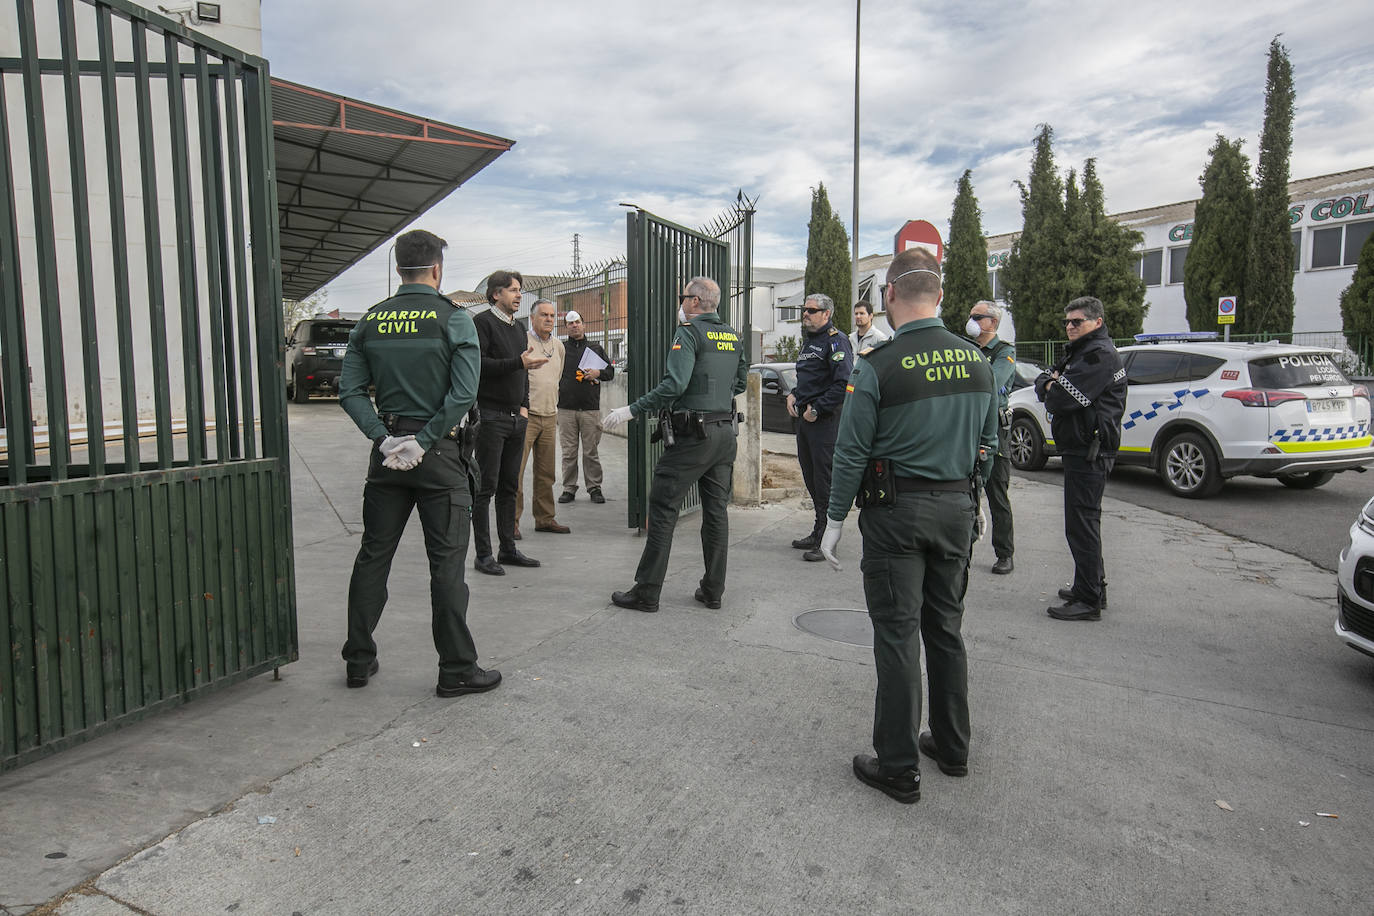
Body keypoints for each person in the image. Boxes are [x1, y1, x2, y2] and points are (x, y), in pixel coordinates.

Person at [820, 247, 998, 804]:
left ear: (889, 296)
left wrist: (833, 519)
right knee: (945, 629)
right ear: (941, 296)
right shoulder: (978, 362)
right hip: (956, 511)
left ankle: (898, 765)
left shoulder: (877, 365)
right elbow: (988, 447)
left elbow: (850, 452)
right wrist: (976, 500)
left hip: (895, 516)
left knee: (897, 635)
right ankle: (951, 746)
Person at [337, 229, 500, 698]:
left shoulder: (371, 320)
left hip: (386, 456)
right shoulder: (454, 319)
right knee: (447, 566)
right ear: (437, 268)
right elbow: (464, 393)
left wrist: (385, 439)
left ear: (398, 268)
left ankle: (357, 660)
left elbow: (350, 391)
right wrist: (424, 441)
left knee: (373, 556)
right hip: (440, 454)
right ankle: (456, 670)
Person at [602, 276, 748, 612]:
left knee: (664, 508)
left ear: (694, 302)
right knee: (716, 513)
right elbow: (739, 381)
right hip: (726, 433)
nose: (680, 302)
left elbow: (674, 384)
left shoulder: (689, 332)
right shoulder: (732, 336)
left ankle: (646, 592)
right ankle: (713, 590)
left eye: (682, 296)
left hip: (693, 435)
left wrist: (631, 409)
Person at [1034, 296, 1127, 621]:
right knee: (1084, 523)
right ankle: (1091, 586)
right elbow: (1044, 379)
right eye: (1068, 322)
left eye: (1077, 322)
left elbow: (1059, 398)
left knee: (1082, 525)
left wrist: (1052, 387)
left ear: (1097, 322)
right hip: (1080, 448)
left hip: (1090, 450)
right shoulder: (1080, 351)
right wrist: (1050, 383)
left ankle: (1088, 600)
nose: (1070, 327)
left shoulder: (1098, 355)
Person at [471, 270, 547, 577]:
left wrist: (525, 406)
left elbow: (522, 373)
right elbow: (479, 366)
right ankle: (483, 554)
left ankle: (508, 549)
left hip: (517, 419)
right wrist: (519, 362)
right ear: (495, 294)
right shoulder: (482, 324)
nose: (518, 295)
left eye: (519, 290)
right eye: (513, 290)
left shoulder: (518, 329)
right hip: (490, 417)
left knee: (509, 486)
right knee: (485, 488)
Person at [788, 293, 853, 560]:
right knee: (812, 478)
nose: (806, 314)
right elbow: (809, 380)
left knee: (825, 481)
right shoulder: (809, 342)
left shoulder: (836, 341)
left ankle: (828, 539)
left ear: (826, 314)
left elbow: (844, 384)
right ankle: (818, 530)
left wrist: (817, 408)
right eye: (804, 310)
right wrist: (793, 394)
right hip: (806, 422)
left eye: (811, 310)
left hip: (824, 421)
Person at [967, 300, 1018, 574]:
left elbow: (992, 382)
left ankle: (1004, 553)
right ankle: (965, 547)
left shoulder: (1004, 351)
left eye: (977, 317)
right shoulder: (968, 348)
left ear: (992, 323)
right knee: (966, 493)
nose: (971, 320)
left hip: (994, 431)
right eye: (971, 315)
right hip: (968, 427)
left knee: (997, 494)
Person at [515, 299, 570, 534]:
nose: (549, 319)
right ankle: (512, 522)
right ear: (532, 318)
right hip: (526, 416)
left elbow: (556, 378)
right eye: (543, 315)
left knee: (546, 473)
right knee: (515, 472)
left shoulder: (559, 346)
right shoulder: (522, 342)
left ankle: (545, 518)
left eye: (552, 315)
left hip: (549, 416)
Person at [558, 309, 615, 504]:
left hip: (590, 409)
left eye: (577, 322)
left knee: (591, 451)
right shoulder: (561, 348)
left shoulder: (595, 348)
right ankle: (569, 488)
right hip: (565, 408)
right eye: (570, 323)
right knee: (568, 452)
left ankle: (594, 487)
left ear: (584, 324)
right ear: (566, 327)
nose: (574, 326)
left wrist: (598, 373)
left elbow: (610, 372)